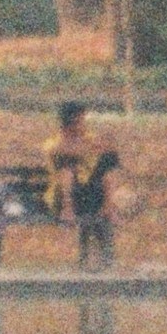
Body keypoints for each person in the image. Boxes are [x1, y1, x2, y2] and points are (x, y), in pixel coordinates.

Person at [49, 100, 121, 269]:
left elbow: (107, 149)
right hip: (61, 198)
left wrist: (92, 146)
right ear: (71, 122)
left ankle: (109, 207)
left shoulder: (87, 139)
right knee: (67, 167)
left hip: (85, 195)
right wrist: (87, 147)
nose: (84, 124)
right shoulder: (54, 143)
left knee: (108, 161)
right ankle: (74, 210)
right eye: (81, 120)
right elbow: (62, 152)